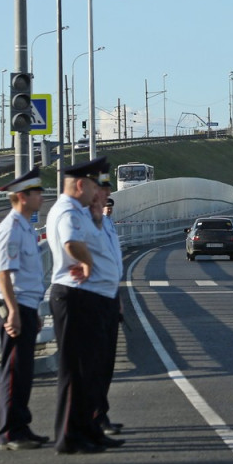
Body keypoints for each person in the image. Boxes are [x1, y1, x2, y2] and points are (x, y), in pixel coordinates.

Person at [46, 156, 124, 455]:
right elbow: (70, 243)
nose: (97, 192)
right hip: (76, 294)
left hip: (94, 297)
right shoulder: (68, 211)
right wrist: (88, 262)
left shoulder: (84, 213)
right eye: (94, 185)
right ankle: (69, 437)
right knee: (75, 373)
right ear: (81, 184)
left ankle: (88, 430)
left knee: (89, 372)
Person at [0, 165, 48, 451]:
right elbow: (3, 274)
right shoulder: (11, 228)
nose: (42, 196)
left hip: (26, 306)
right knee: (14, 371)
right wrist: (13, 311)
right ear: (23, 197)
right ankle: (9, 433)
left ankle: (21, 426)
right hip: (15, 308)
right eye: (37, 192)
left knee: (24, 371)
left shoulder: (26, 227)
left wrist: (32, 310)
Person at [93, 178, 124, 437]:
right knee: (95, 363)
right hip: (94, 299)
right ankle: (93, 418)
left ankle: (100, 415)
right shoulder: (88, 222)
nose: (108, 199)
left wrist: (118, 297)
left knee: (105, 363)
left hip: (109, 296)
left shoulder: (108, 224)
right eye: (105, 192)